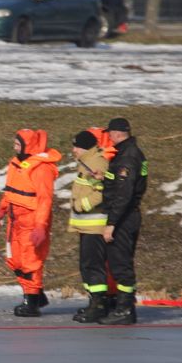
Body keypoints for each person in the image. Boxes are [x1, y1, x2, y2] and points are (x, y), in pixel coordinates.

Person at [0, 128, 60, 317]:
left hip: (31, 221)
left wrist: (40, 226)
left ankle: (31, 302)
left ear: (27, 144)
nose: (14, 144)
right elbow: (11, 191)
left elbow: (45, 199)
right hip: (15, 220)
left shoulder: (41, 168)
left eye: (18, 142)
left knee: (31, 262)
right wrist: (1, 209)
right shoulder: (16, 164)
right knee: (15, 261)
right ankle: (36, 295)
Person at [99, 117, 147, 325]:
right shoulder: (130, 154)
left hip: (124, 217)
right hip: (127, 214)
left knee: (120, 264)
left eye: (110, 134)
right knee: (120, 262)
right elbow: (125, 185)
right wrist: (106, 177)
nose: (108, 137)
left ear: (117, 134)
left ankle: (125, 309)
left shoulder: (127, 157)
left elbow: (124, 193)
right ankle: (124, 306)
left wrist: (112, 223)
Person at [67, 130, 115, 323]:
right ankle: (96, 301)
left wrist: (82, 205)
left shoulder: (97, 162)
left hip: (94, 225)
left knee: (92, 265)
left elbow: (103, 191)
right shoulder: (87, 162)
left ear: (85, 147)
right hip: (87, 225)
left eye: (76, 146)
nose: (73, 150)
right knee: (87, 265)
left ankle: (99, 304)